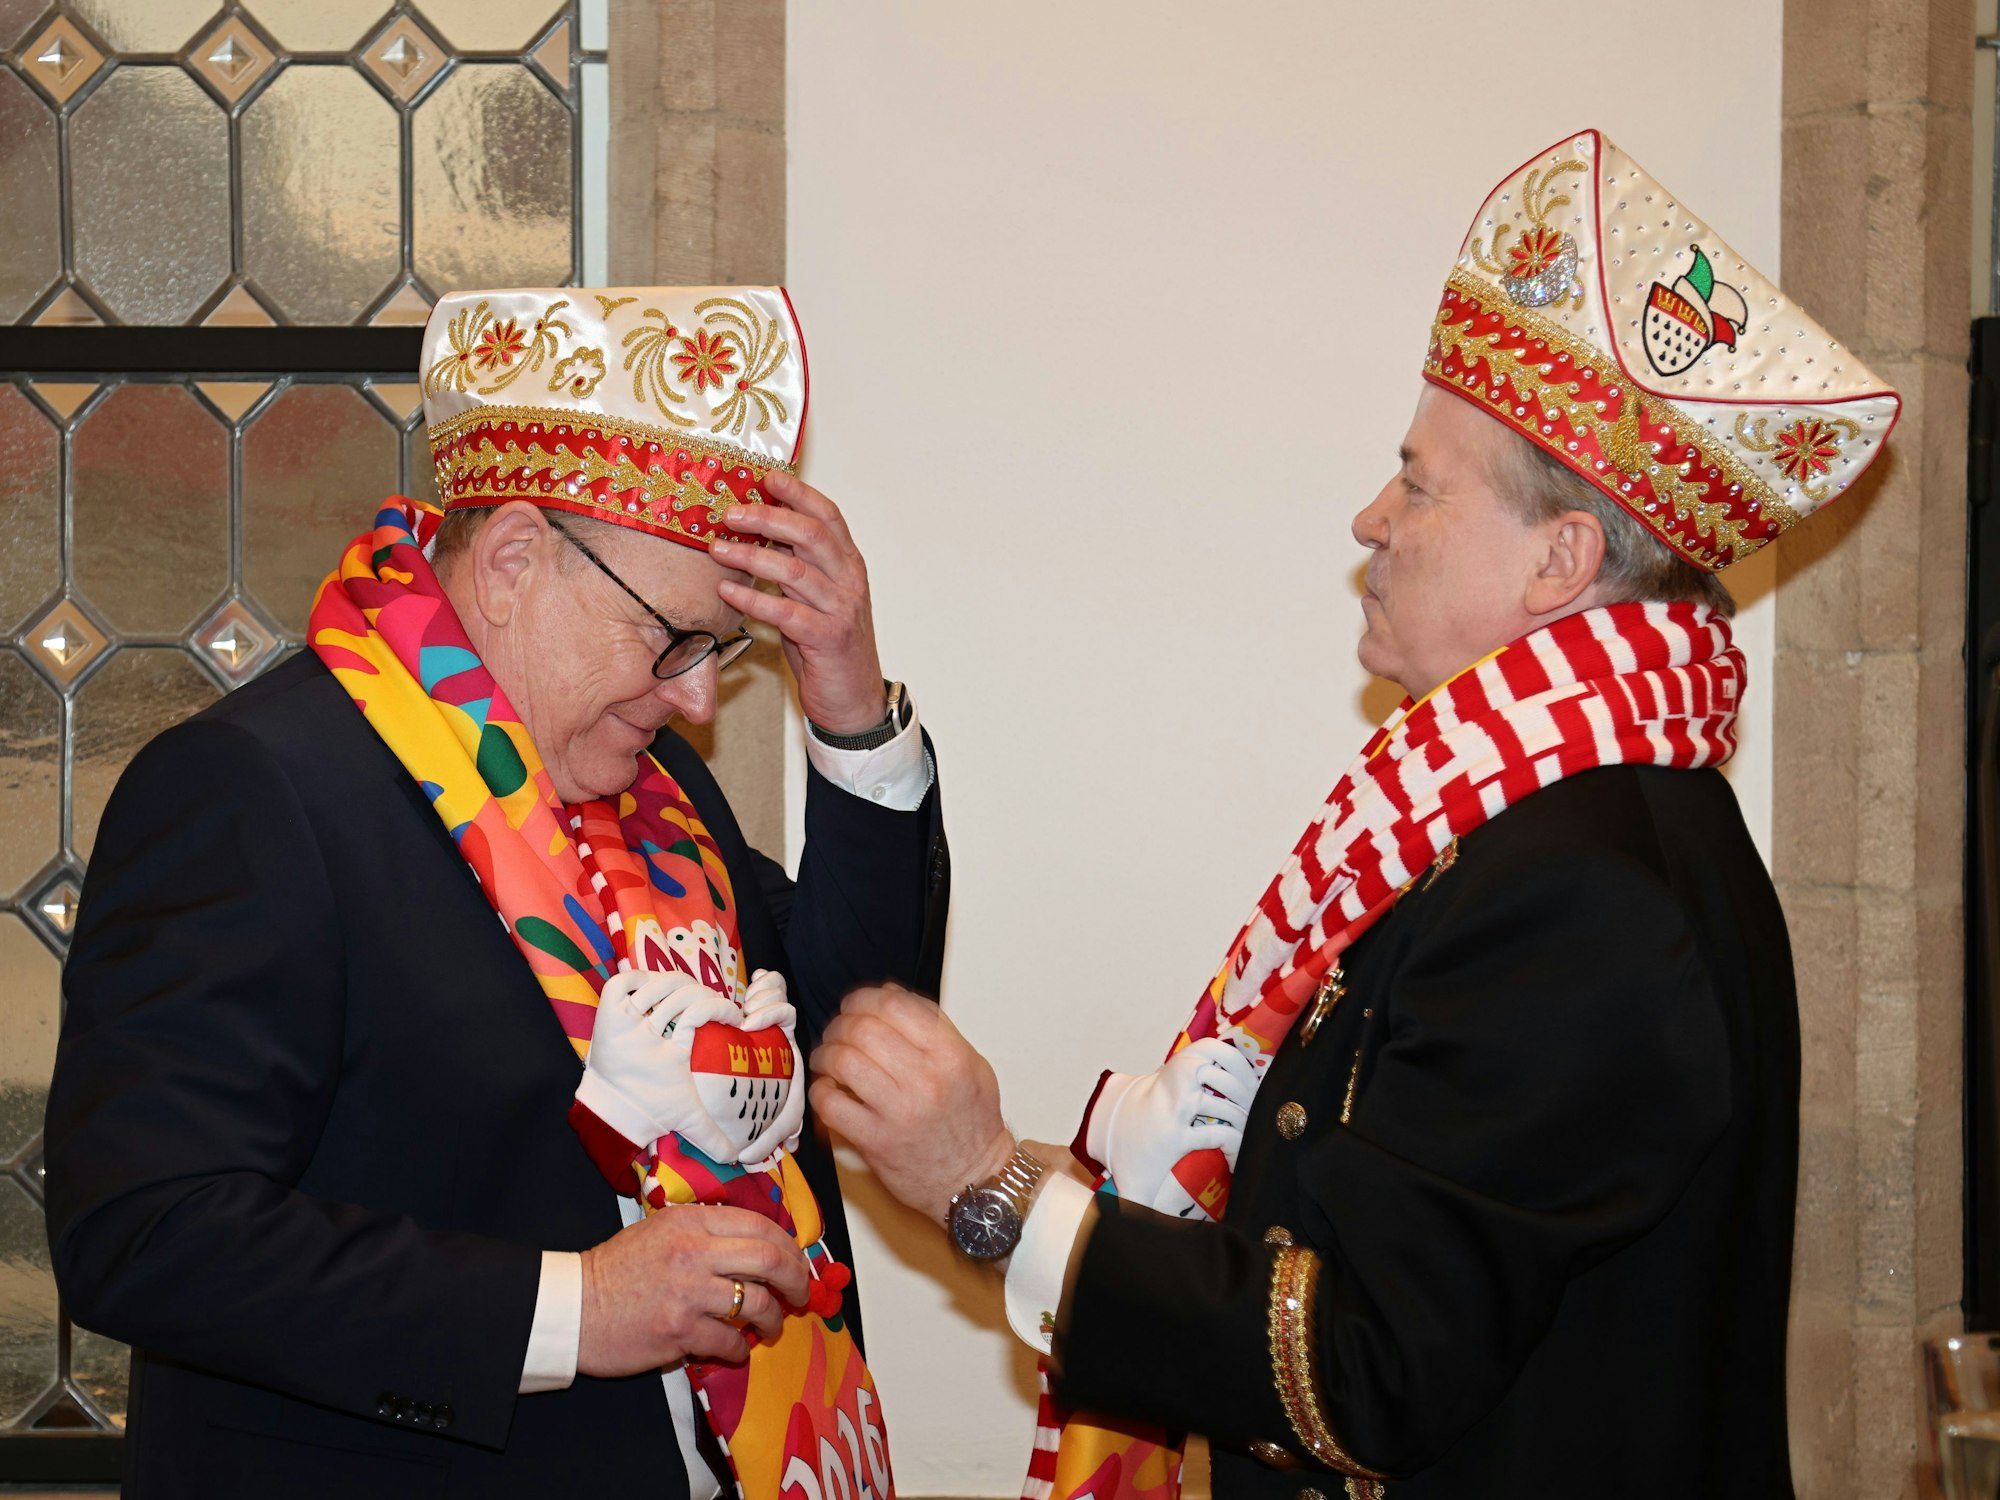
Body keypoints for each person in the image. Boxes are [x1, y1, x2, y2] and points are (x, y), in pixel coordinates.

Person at [809, 130, 1899, 1498]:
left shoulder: (1588, 891)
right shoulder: (1528, 826)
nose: (1370, 518)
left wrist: (995, 1193)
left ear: (1561, 563)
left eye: (1421, 484)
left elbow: (1361, 1361)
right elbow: (1350, 1225)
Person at [46, 286, 944, 1500]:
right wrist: (577, 1307)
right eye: (674, 639)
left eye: (722, 654)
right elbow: (148, 1232)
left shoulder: (656, 792)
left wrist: (848, 705)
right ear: (516, 558)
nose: (696, 701)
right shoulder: (255, 789)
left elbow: (854, 1035)